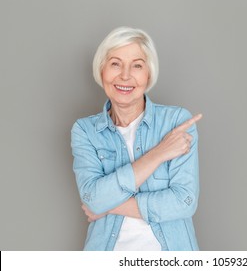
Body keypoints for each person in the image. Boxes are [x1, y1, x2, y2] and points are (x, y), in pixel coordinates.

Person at [71, 26, 202, 251]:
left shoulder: (176, 122)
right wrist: (159, 153)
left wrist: (110, 205)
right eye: (115, 63)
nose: (125, 75)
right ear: (101, 70)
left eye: (137, 65)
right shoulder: (84, 131)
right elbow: (93, 199)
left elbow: (184, 202)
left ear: (148, 74)